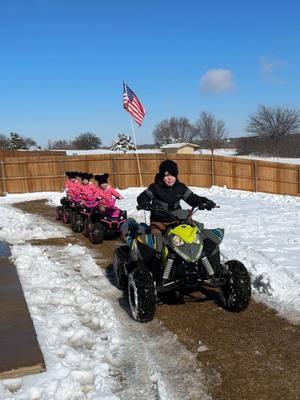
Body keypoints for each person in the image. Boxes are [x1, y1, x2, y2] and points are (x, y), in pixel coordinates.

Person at [137, 159, 216, 235]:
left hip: (177, 221)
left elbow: (192, 198)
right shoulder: (155, 188)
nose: (170, 178)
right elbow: (142, 197)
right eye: (166, 175)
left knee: (194, 234)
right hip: (159, 223)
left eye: (173, 175)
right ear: (162, 176)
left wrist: (205, 202)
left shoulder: (180, 188)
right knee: (157, 240)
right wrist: (145, 203)